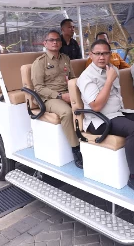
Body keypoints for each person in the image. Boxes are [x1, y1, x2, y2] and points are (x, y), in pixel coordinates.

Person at [77, 39, 134, 198]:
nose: (101, 57)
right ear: (91, 55)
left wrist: (111, 77)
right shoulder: (87, 76)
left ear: (110, 54)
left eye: (105, 53)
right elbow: (96, 106)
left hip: (118, 112)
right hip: (99, 120)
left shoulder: (112, 69)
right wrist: (109, 80)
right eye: (97, 54)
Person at [31, 30, 83, 168]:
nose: (55, 42)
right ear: (45, 43)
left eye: (57, 40)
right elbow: (39, 88)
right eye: (51, 40)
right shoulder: (40, 62)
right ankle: (76, 149)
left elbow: (72, 78)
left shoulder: (65, 58)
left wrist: (74, 92)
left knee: (87, 105)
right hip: (48, 97)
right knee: (66, 112)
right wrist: (60, 96)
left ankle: (87, 140)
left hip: (67, 92)